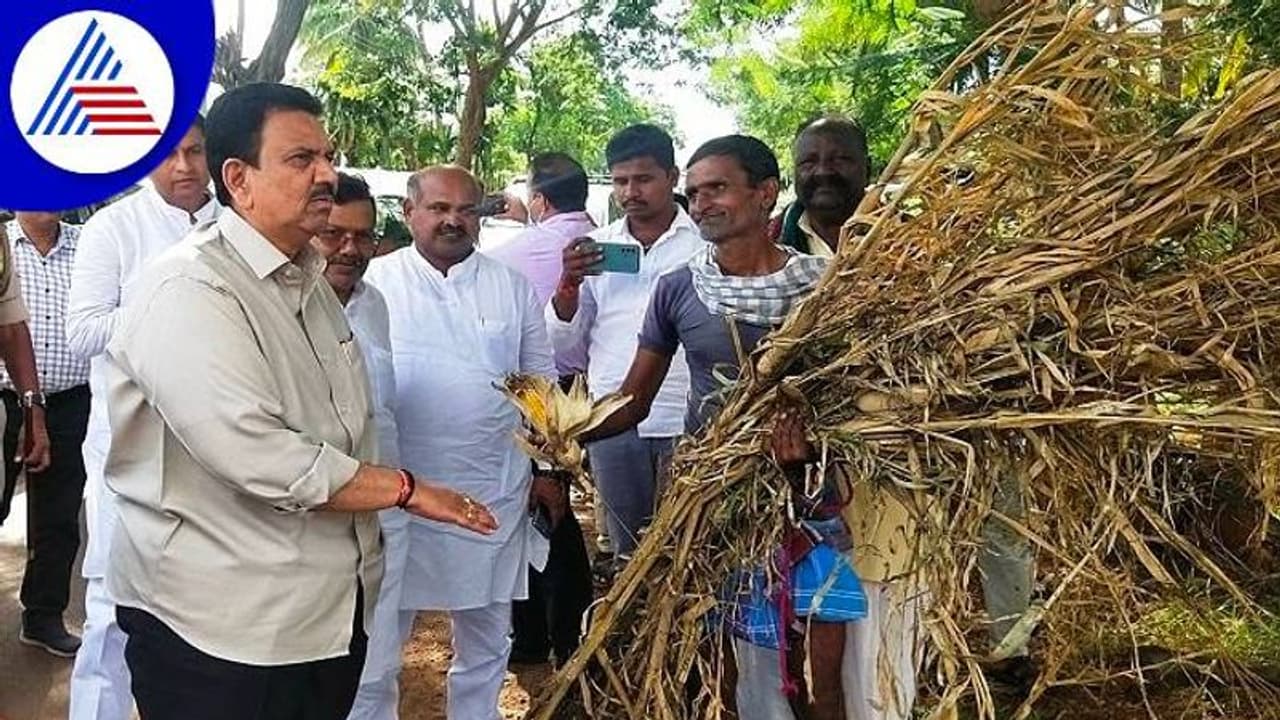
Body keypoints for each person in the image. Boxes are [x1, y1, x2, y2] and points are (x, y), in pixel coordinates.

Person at [102, 83, 496, 720]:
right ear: (238, 178)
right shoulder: (190, 286)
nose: (327, 175)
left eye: (328, 156)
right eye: (300, 159)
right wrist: (406, 489)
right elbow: (260, 455)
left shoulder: (308, 281)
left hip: (321, 620)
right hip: (223, 633)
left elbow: (344, 422)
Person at [583, 135, 922, 719]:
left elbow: (864, 395)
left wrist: (809, 451)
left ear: (766, 194)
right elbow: (634, 402)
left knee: (825, 672)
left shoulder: (827, 288)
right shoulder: (680, 288)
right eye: (693, 193)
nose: (701, 203)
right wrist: (569, 437)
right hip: (713, 502)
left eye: (716, 188)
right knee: (733, 663)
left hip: (816, 499)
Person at [363, 165, 558, 719]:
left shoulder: (511, 286)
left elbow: (540, 386)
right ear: (409, 213)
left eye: (465, 210)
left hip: (490, 485)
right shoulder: (375, 282)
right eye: (438, 208)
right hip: (395, 488)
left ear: (481, 216)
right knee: (381, 641)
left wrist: (549, 471)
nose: (452, 220)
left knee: (487, 636)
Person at [65, 115, 220, 720]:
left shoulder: (232, 225)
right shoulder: (114, 228)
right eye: (168, 153)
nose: (182, 167)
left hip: (218, 449)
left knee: (205, 606)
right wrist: (169, 313)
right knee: (111, 602)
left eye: (195, 152)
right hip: (128, 447)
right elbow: (83, 333)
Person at [544, 124, 704, 569]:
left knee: (692, 553)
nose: (631, 191)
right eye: (620, 181)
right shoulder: (598, 248)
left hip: (686, 418)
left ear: (672, 177)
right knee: (629, 556)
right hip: (612, 420)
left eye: (643, 178)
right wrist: (569, 285)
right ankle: (632, 639)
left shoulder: (705, 244)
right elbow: (564, 344)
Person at [483, 152, 594, 665]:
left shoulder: (506, 256)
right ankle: (569, 635)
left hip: (533, 398)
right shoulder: (608, 242)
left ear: (540, 200)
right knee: (557, 513)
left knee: (541, 513)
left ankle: (531, 636)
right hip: (597, 397)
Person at [310, 172, 406, 720]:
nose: (350, 249)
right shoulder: (280, 306)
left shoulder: (375, 304)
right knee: (311, 668)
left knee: (379, 663)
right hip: (310, 516)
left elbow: (381, 408)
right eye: (334, 234)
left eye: (363, 236)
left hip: (383, 505)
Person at [0, 211, 89, 657]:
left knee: (58, 516)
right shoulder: (3, 245)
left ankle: (43, 615)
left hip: (73, 401)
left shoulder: (88, 246)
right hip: (6, 403)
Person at [771, 116, 871, 256]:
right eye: (808, 162)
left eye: (839, 159)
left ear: (868, 168)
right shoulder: (766, 243)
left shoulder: (907, 236)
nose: (823, 171)